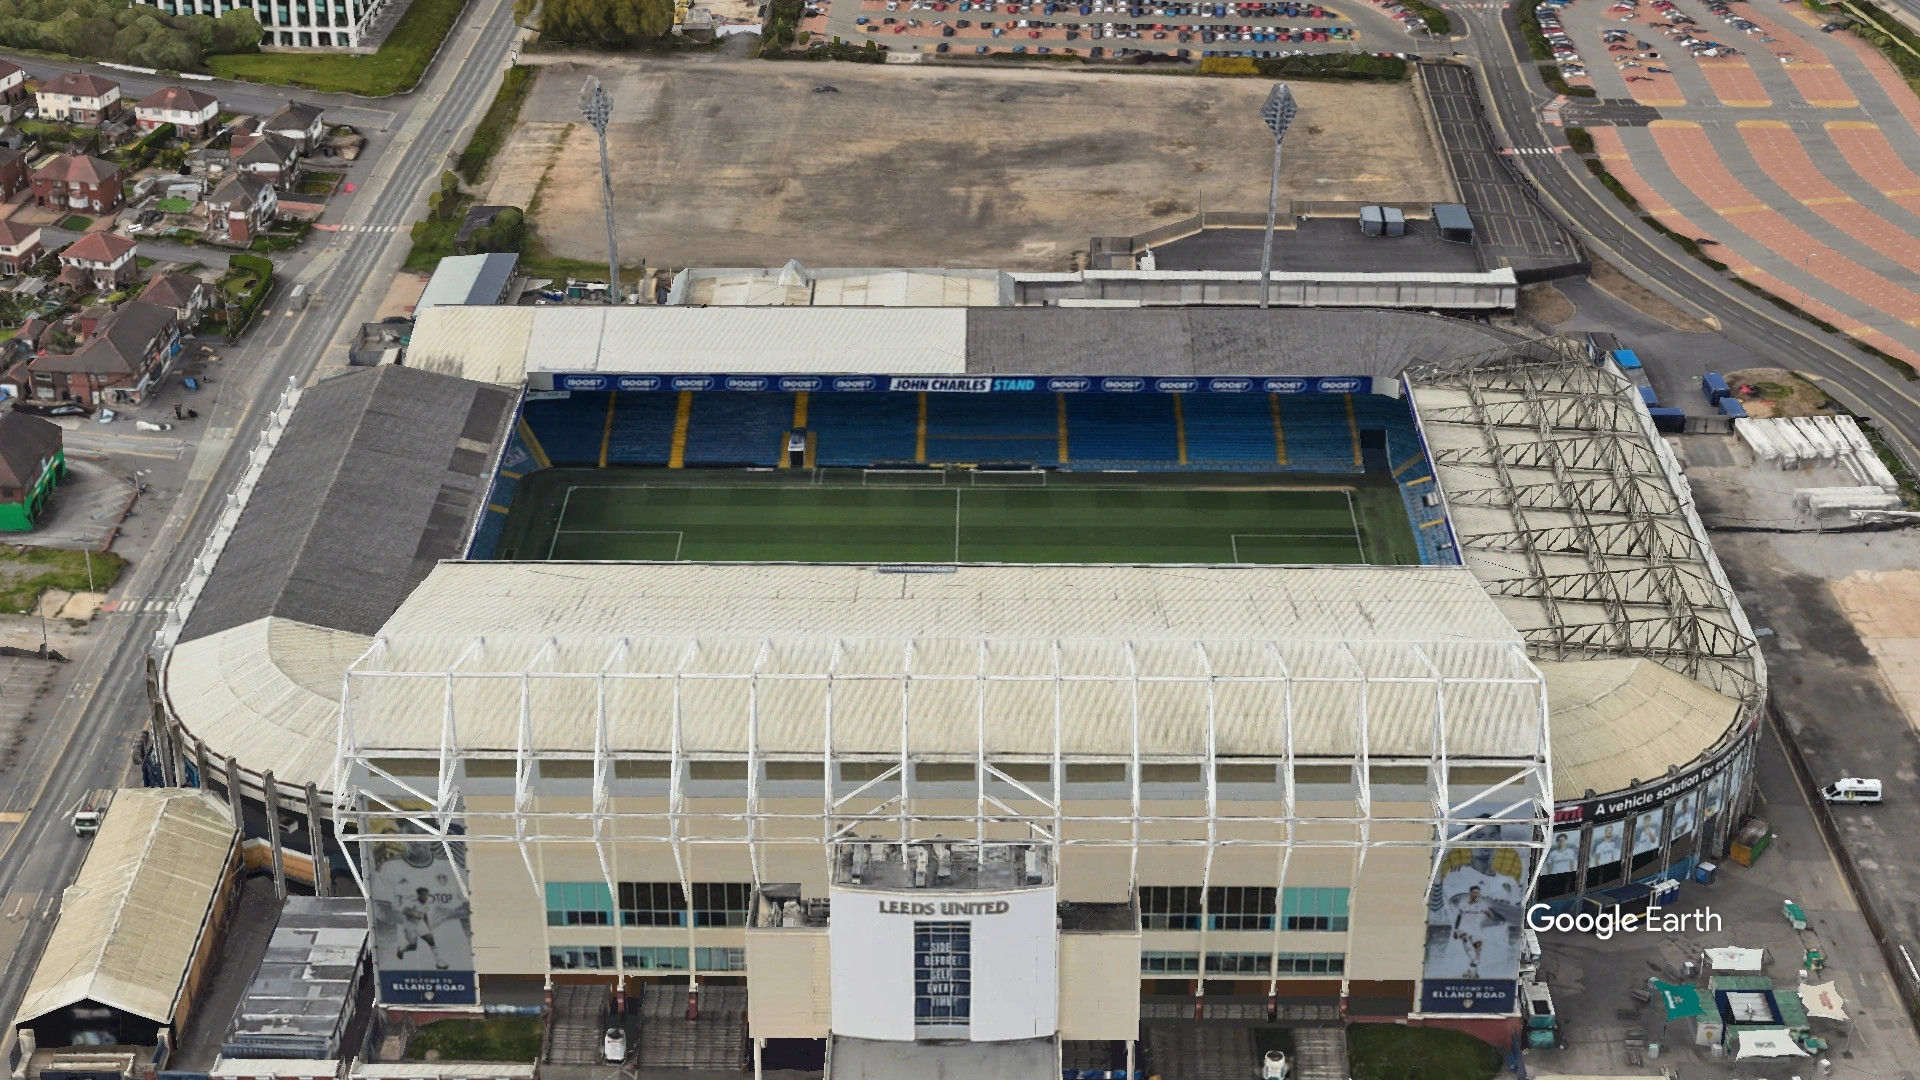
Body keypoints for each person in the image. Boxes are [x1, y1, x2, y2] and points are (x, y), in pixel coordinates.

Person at [398, 886, 450, 969]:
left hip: (420, 925)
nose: (425, 897)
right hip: (410, 926)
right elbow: (405, 910)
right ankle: (401, 949)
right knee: (413, 947)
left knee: (431, 941)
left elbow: (424, 915)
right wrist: (415, 914)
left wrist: (428, 927)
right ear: (418, 895)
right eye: (422, 895)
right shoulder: (412, 902)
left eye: (426, 895)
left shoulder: (428, 902)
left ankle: (439, 961)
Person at [1447, 884, 1491, 979]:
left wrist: (1489, 914)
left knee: (1478, 946)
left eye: (1478, 893)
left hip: (1475, 928)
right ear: (1470, 893)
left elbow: (1488, 913)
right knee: (1467, 944)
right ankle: (1473, 967)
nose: (1476, 895)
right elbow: (1458, 917)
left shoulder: (1481, 905)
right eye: (1474, 892)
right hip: (1464, 928)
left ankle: (1473, 971)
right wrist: (1455, 930)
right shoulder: (1463, 904)